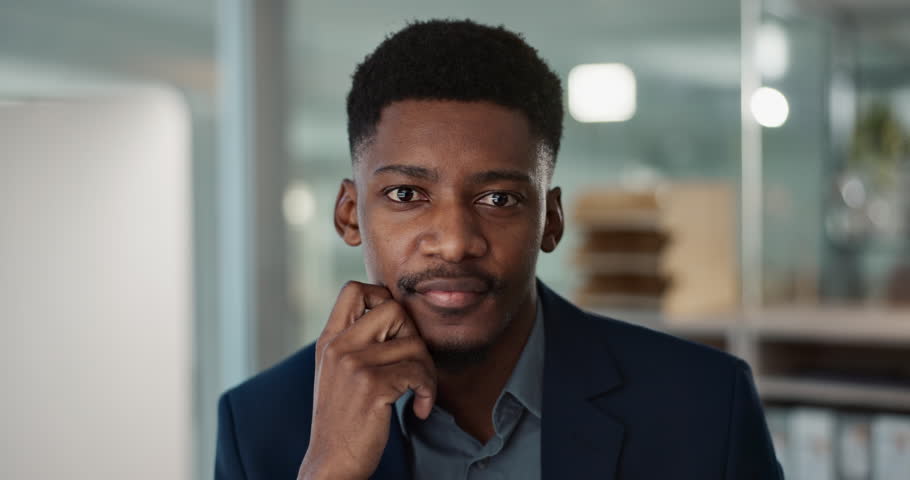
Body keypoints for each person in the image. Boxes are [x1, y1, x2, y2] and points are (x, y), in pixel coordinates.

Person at [215, 19, 784, 480]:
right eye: (407, 194)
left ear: (551, 220)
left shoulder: (705, 406)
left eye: (498, 199)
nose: (455, 242)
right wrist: (329, 470)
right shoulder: (261, 424)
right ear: (348, 214)